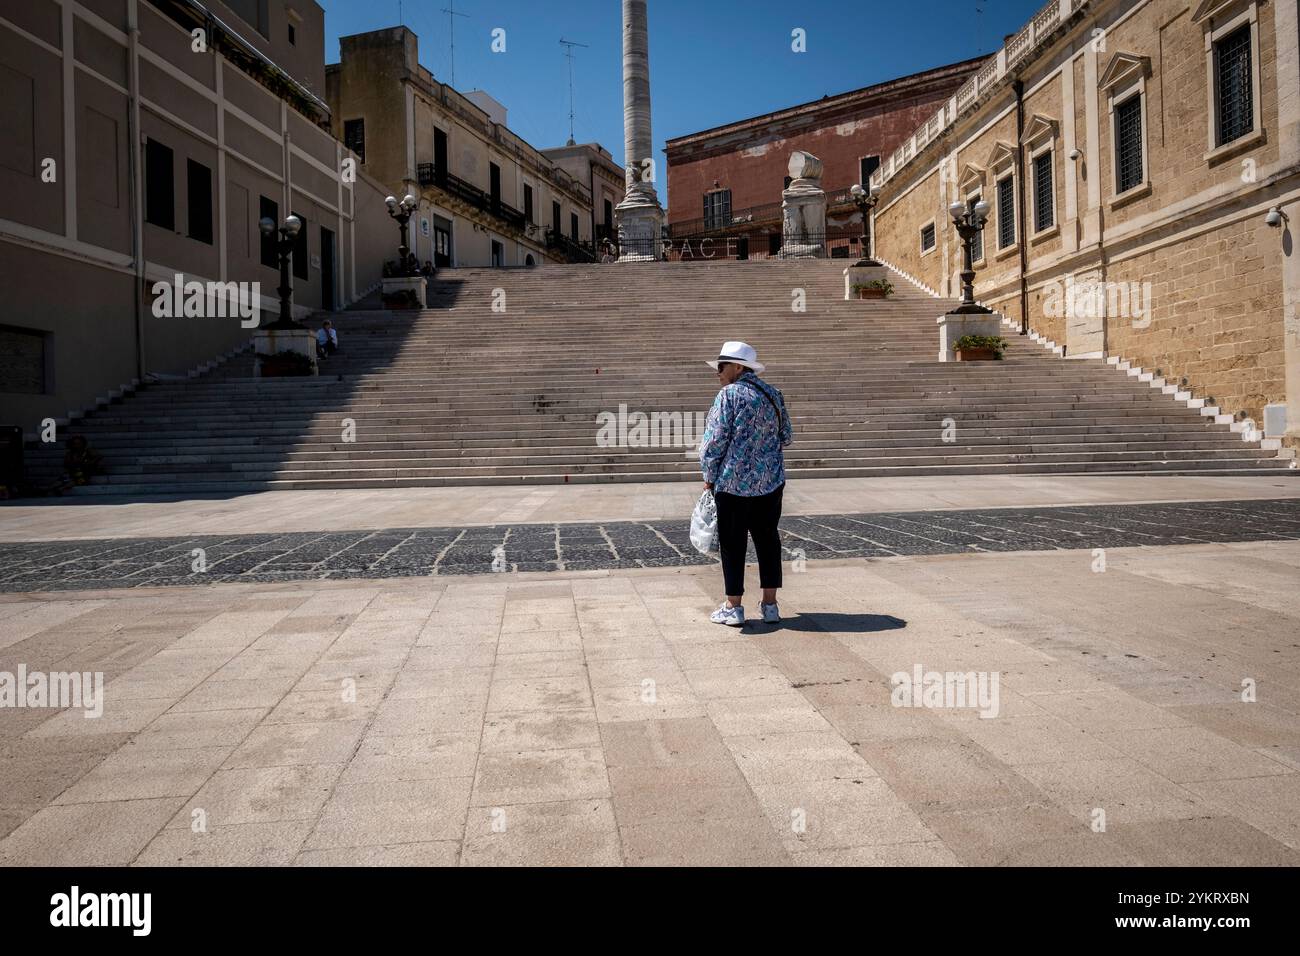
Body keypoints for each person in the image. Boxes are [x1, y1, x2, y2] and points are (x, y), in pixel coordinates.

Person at [699, 341, 793, 627]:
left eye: (721, 366)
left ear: (738, 367)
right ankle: (770, 605)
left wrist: (709, 476)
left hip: (733, 482)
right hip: (771, 481)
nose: (717, 372)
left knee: (732, 543)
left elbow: (714, 441)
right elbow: (786, 435)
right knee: (768, 540)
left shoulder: (729, 395)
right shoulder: (774, 394)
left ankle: (733, 606)